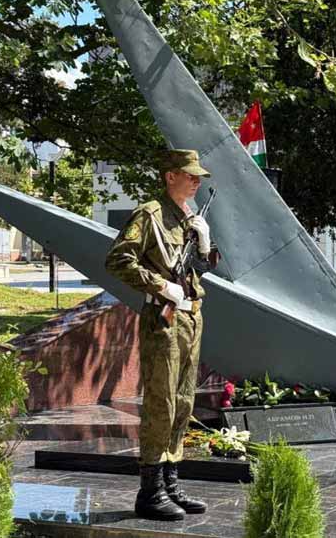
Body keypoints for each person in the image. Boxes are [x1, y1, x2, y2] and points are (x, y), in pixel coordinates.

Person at [105, 149, 218, 522]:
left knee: (183, 401)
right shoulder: (149, 214)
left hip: (191, 317)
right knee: (162, 402)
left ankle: (171, 482)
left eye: (199, 176)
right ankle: (150, 491)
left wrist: (204, 244)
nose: (196, 181)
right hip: (163, 320)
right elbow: (118, 260)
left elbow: (199, 269)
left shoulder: (188, 216)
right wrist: (159, 286)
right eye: (190, 174)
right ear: (170, 176)